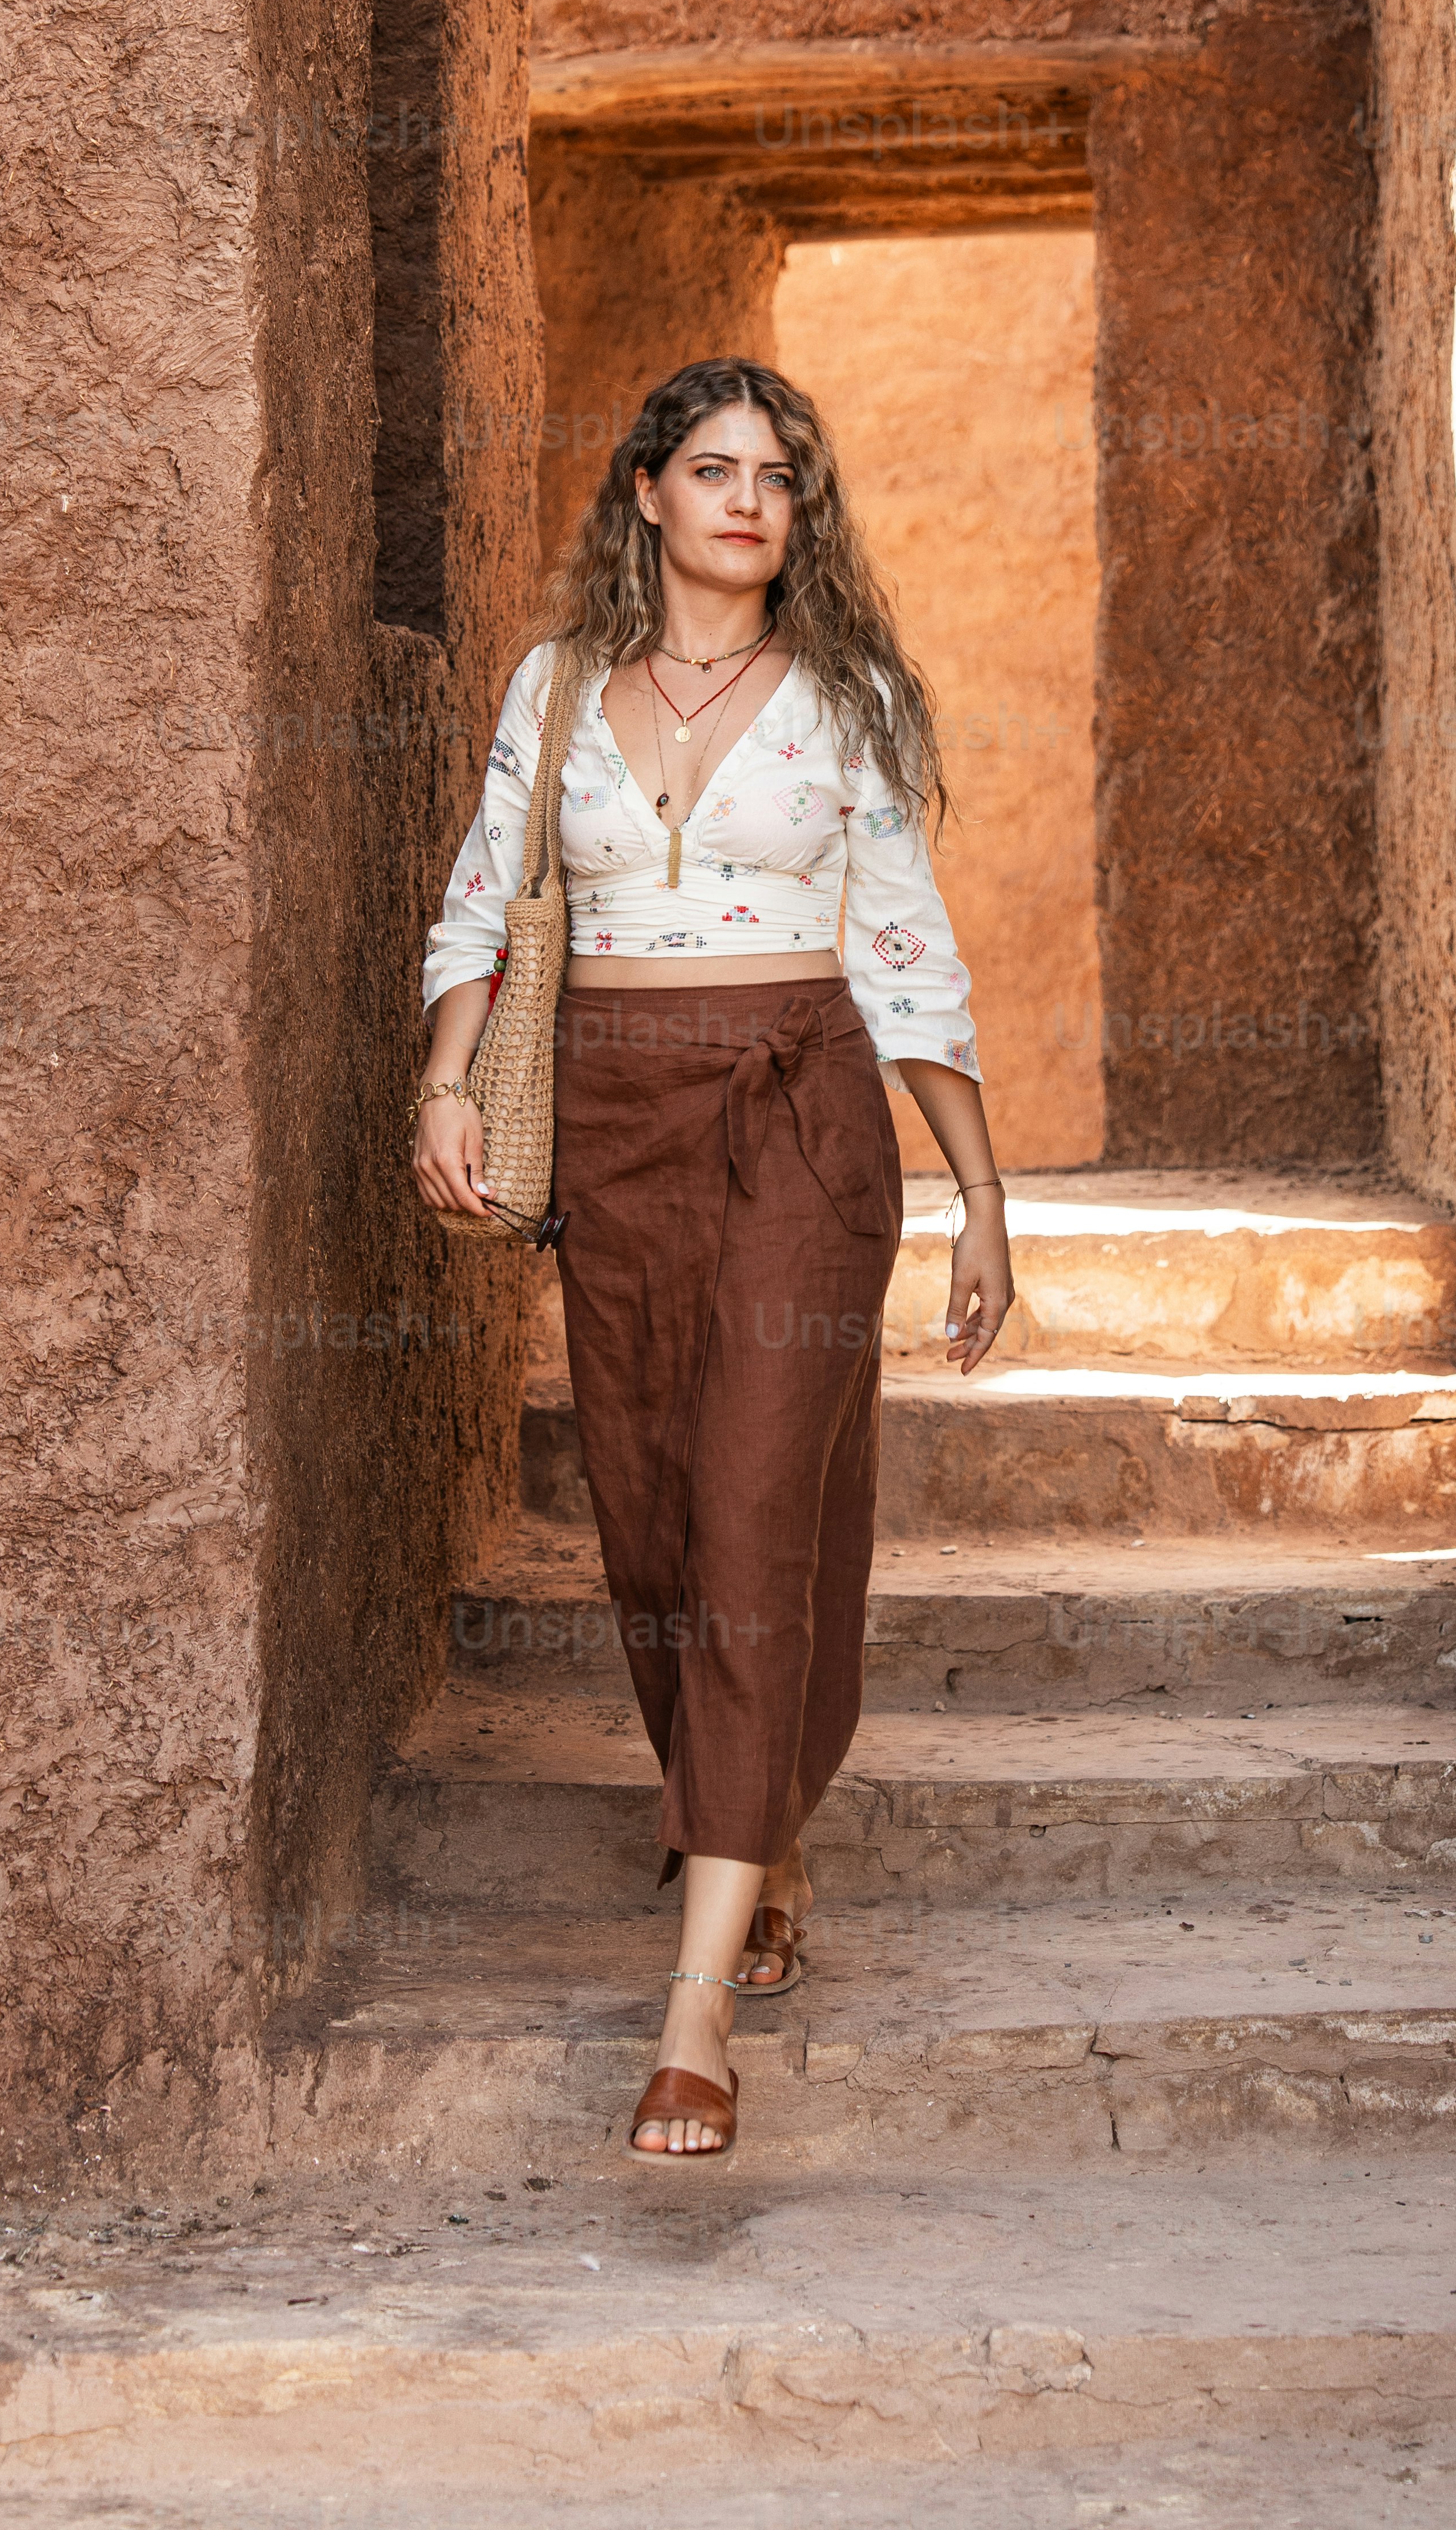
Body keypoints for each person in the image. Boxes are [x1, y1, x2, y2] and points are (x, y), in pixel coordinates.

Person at [411, 357, 1013, 2158]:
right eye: (718, 469)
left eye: (782, 477)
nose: (752, 500)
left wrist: (982, 1196)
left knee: (756, 1510)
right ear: (651, 495)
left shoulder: (849, 699)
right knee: (657, 1524)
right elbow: (480, 906)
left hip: (802, 1116)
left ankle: (690, 2011)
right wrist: (446, 1075)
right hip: (612, 1116)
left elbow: (906, 951)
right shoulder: (557, 687)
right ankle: (767, 1821)